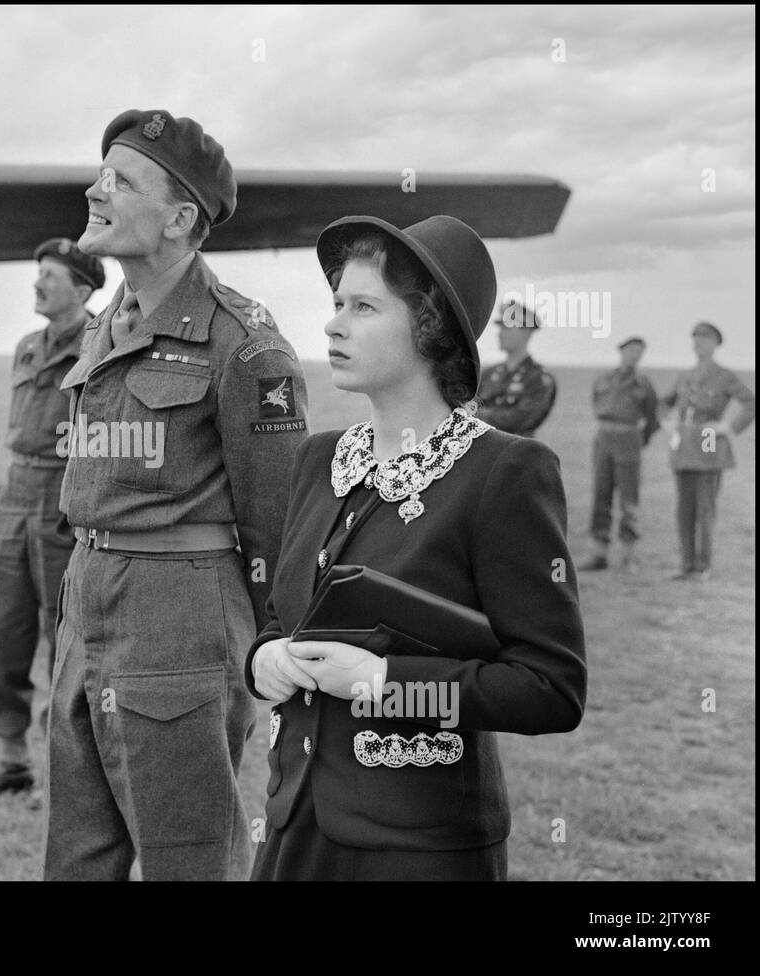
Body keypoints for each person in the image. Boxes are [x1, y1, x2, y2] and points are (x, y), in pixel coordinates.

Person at [247, 215, 586, 881]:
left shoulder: (503, 474)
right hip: (295, 827)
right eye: (337, 303)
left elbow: (550, 689)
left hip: (419, 850)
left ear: (429, 327)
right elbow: (281, 618)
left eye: (363, 307)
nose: (333, 325)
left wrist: (384, 685)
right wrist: (265, 660)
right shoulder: (319, 460)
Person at [44, 109, 309, 881]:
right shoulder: (107, 325)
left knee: (186, 856)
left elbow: (279, 525)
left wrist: (266, 652)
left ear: (179, 217)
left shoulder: (244, 344)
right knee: (78, 856)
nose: (96, 191)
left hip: (177, 624)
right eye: (100, 174)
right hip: (86, 606)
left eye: (121, 181)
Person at [0, 238, 105, 797]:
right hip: (15, 494)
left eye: (50, 275)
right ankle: (12, 759)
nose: (37, 283)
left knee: (62, 636)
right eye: (36, 272)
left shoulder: (102, 345)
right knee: (3, 632)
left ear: (84, 289)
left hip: (64, 497)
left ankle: (63, 772)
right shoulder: (25, 347)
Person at [661, 321, 755, 581]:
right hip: (683, 444)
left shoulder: (724, 375)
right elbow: (664, 403)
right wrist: (666, 423)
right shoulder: (685, 375)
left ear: (716, 343)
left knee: (705, 509)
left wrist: (729, 426)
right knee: (684, 510)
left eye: (704, 338)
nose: (698, 343)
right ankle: (686, 564)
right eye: (695, 338)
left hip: (709, 441)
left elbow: (751, 403)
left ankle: (703, 567)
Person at [579, 337, 660, 573]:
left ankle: (628, 556)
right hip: (604, 438)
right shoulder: (603, 379)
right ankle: (598, 553)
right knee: (601, 494)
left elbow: (652, 419)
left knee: (629, 500)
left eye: (639, 352)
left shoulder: (644, 384)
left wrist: (636, 441)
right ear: (622, 351)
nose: (634, 356)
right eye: (631, 351)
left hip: (629, 440)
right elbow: (596, 403)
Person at [476, 300, 556, 437]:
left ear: (526, 331)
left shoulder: (538, 378)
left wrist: (478, 415)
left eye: (507, 327)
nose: (500, 333)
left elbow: (523, 419)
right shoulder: (488, 374)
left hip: (518, 453)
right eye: (500, 327)